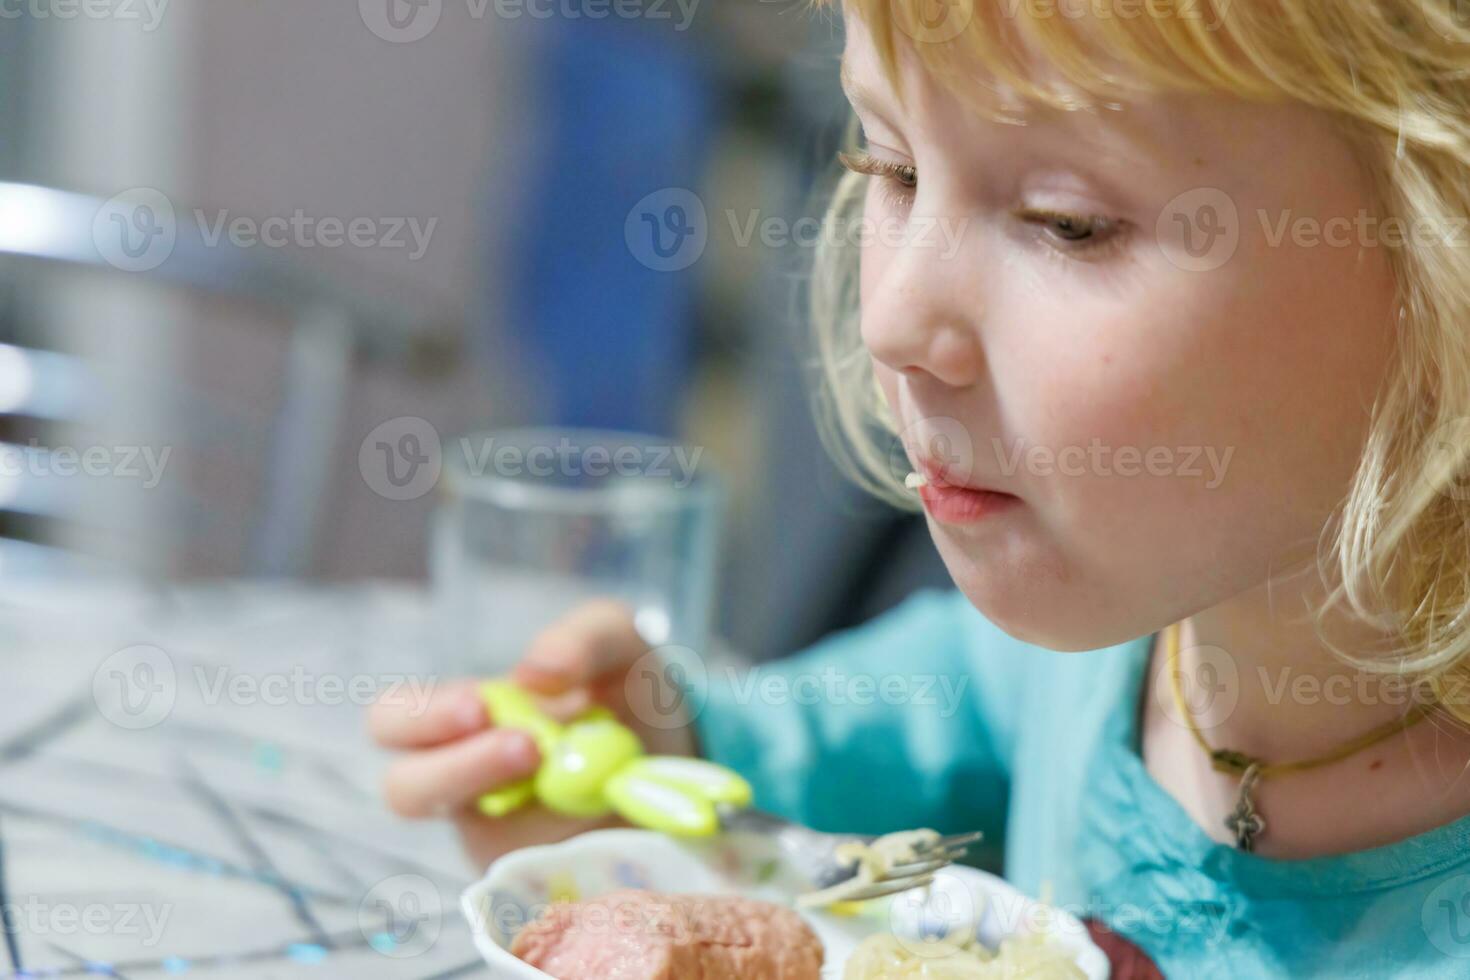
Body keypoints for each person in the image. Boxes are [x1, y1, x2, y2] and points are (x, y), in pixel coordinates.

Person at [370, 1, 1470, 973]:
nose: (894, 318)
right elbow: (952, 699)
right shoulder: (1116, 653)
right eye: (890, 167)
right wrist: (680, 751)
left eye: (1066, 221)